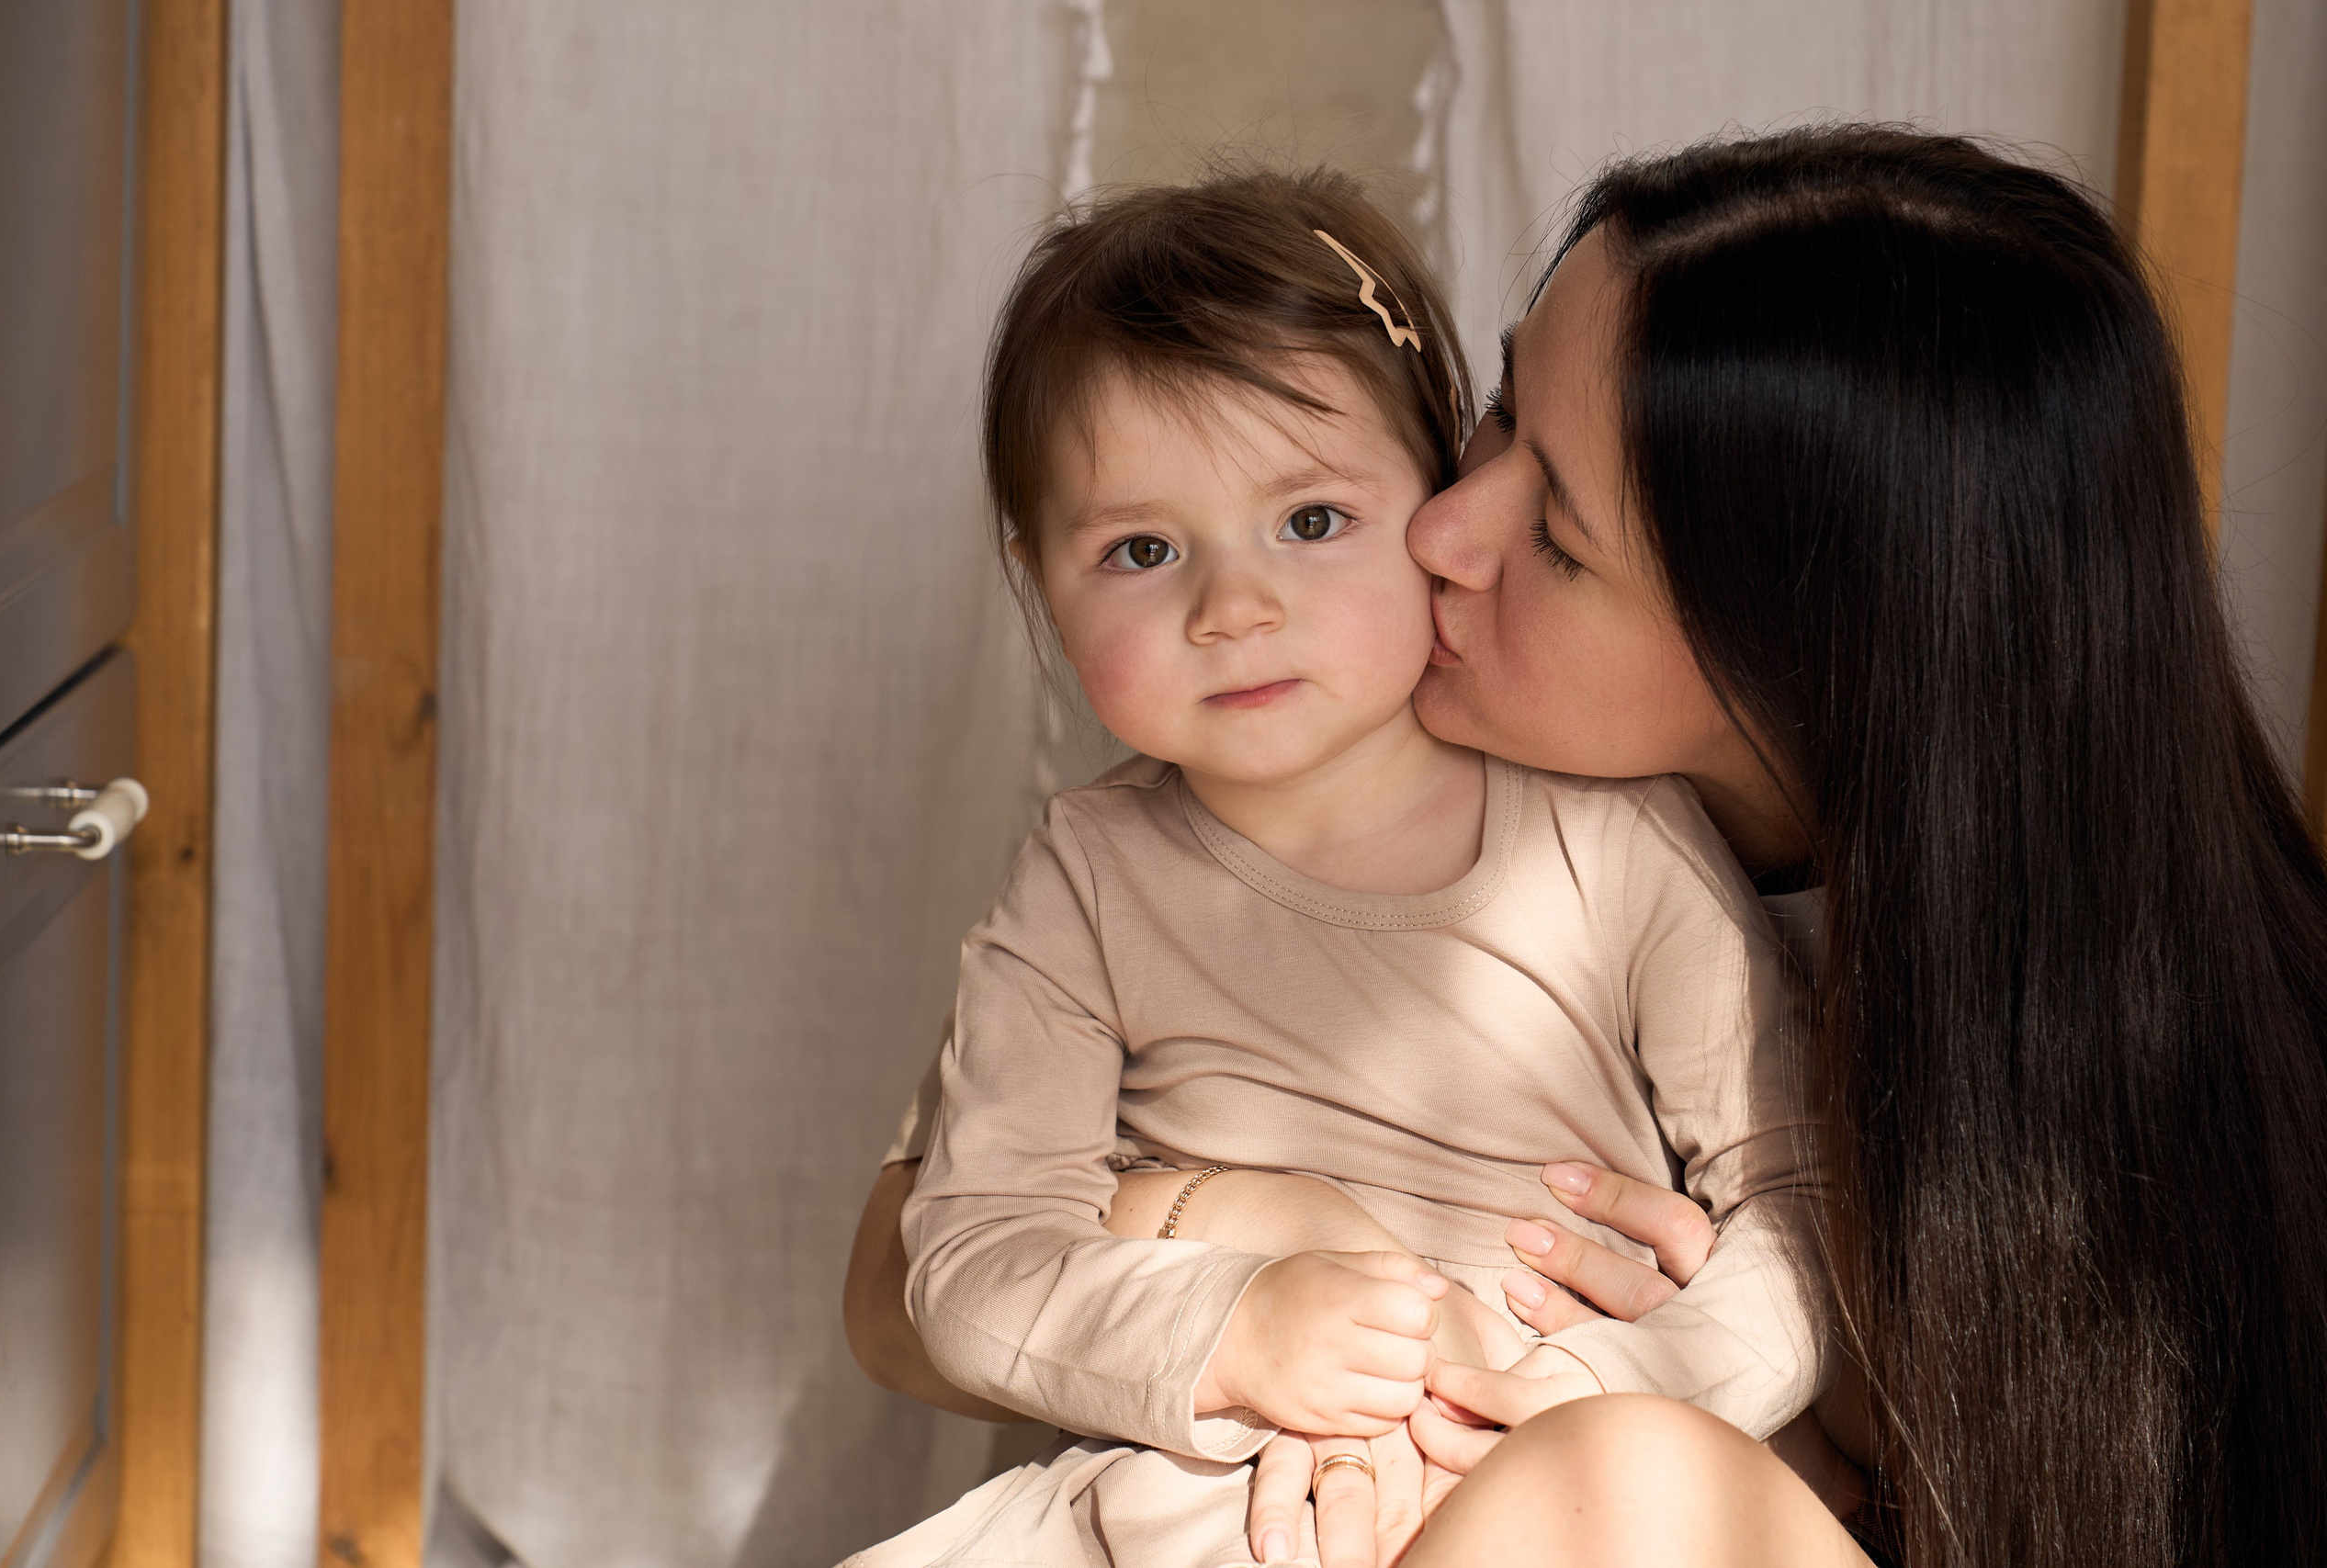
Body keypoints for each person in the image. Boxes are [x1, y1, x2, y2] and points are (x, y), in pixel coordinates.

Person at [851, 124, 2327, 1567]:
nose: (1438, 528)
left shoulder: (1665, 880)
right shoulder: (1179, 835)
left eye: (1556, 529)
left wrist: (1693, 1377)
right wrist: (1235, 1221)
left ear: (1797, 651)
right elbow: (900, 1276)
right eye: (1494, 417)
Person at [842, 168, 1831, 1568]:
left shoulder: (1616, 837)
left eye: (1310, 522)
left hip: (1555, 1474)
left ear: (1428, 495)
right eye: (1139, 550)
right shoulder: (1086, 885)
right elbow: (956, 1258)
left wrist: (1624, 1383)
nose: (1233, 607)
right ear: (1037, 583)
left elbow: (1794, 1205)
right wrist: (1228, 1317)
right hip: (1215, 1497)